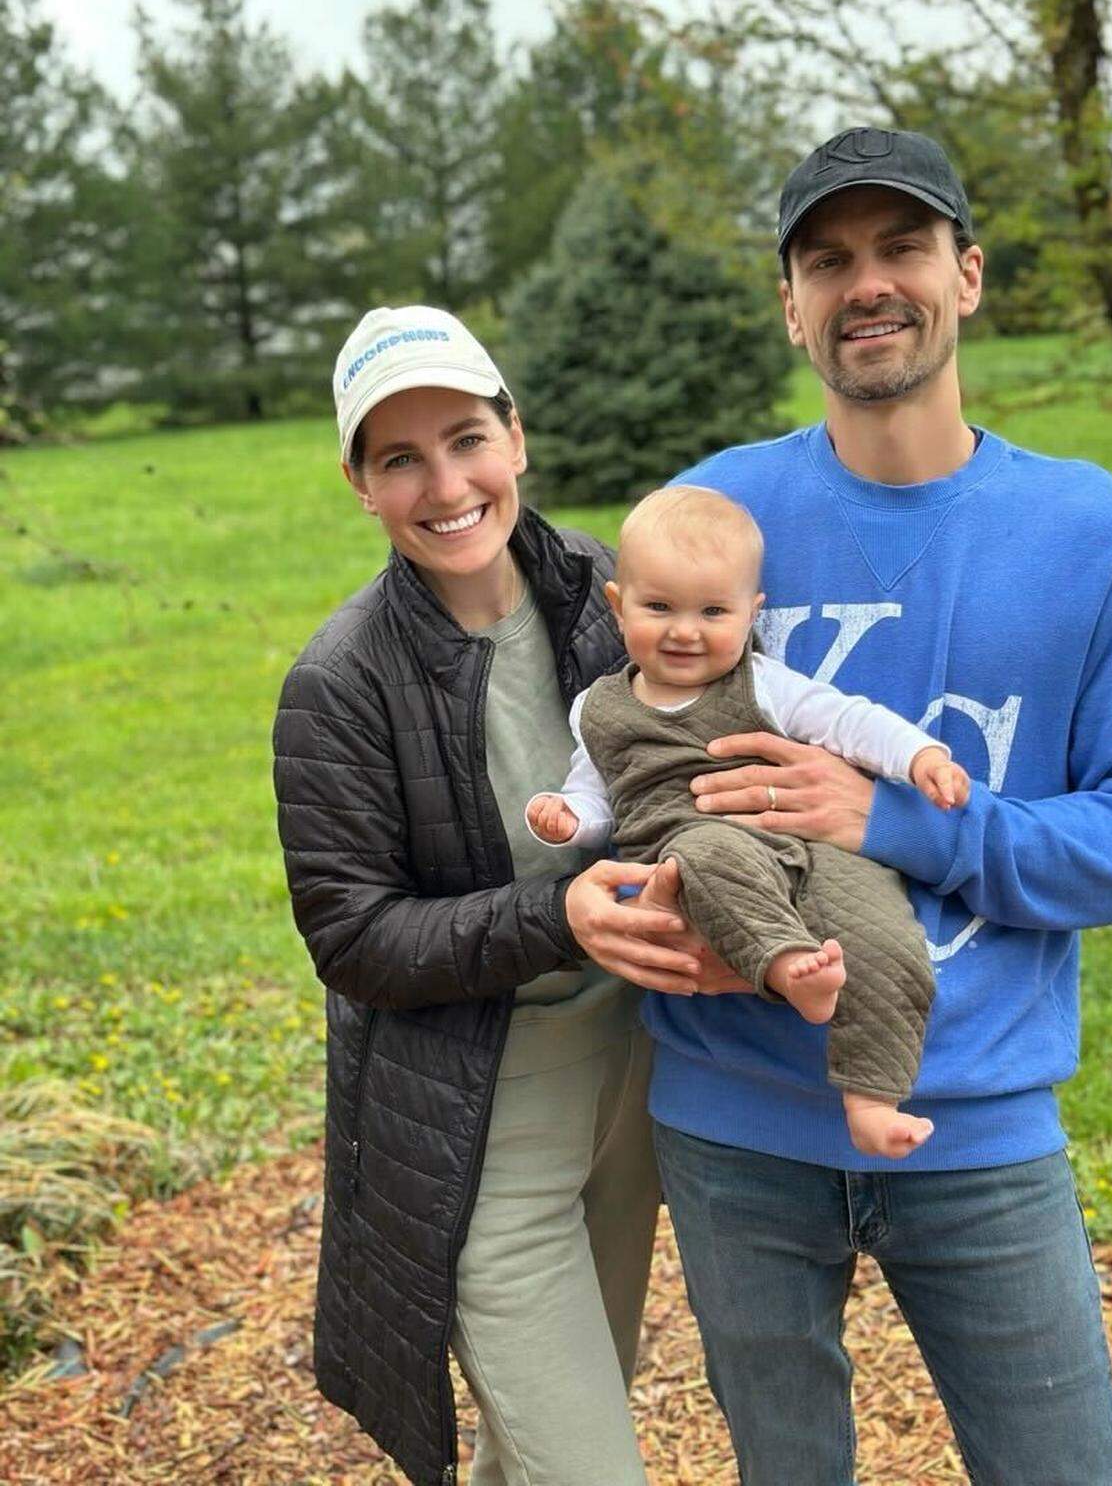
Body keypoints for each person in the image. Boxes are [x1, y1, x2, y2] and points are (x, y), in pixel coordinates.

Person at [636, 129, 1112, 1483]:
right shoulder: (708, 521)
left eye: (901, 247)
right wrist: (610, 898)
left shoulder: (1096, 534)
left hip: (978, 1118)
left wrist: (901, 820)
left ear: (966, 275)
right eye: (828, 258)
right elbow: (630, 772)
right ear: (789, 304)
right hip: (733, 1116)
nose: (868, 282)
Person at [272, 305, 710, 1486]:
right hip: (481, 1110)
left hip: (633, 1072)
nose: (445, 483)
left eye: (467, 437)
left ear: (516, 436)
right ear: (358, 481)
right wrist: (555, 913)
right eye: (400, 456)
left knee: (540, 1443)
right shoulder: (340, 681)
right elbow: (351, 934)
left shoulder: (610, 592)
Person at [526, 484, 970, 1158]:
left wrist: (920, 755)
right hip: (696, 859)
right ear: (618, 607)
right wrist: (567, 818)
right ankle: (790, 965)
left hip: (811, 851)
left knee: (887, 935)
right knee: (704, 854)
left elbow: (847, 721)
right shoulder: (600, 708)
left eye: (712, 611)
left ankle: (872, 1099)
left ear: (750, 612)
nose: (684, 630)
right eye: (659, 607)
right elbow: (596, 799)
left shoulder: (762, 682)